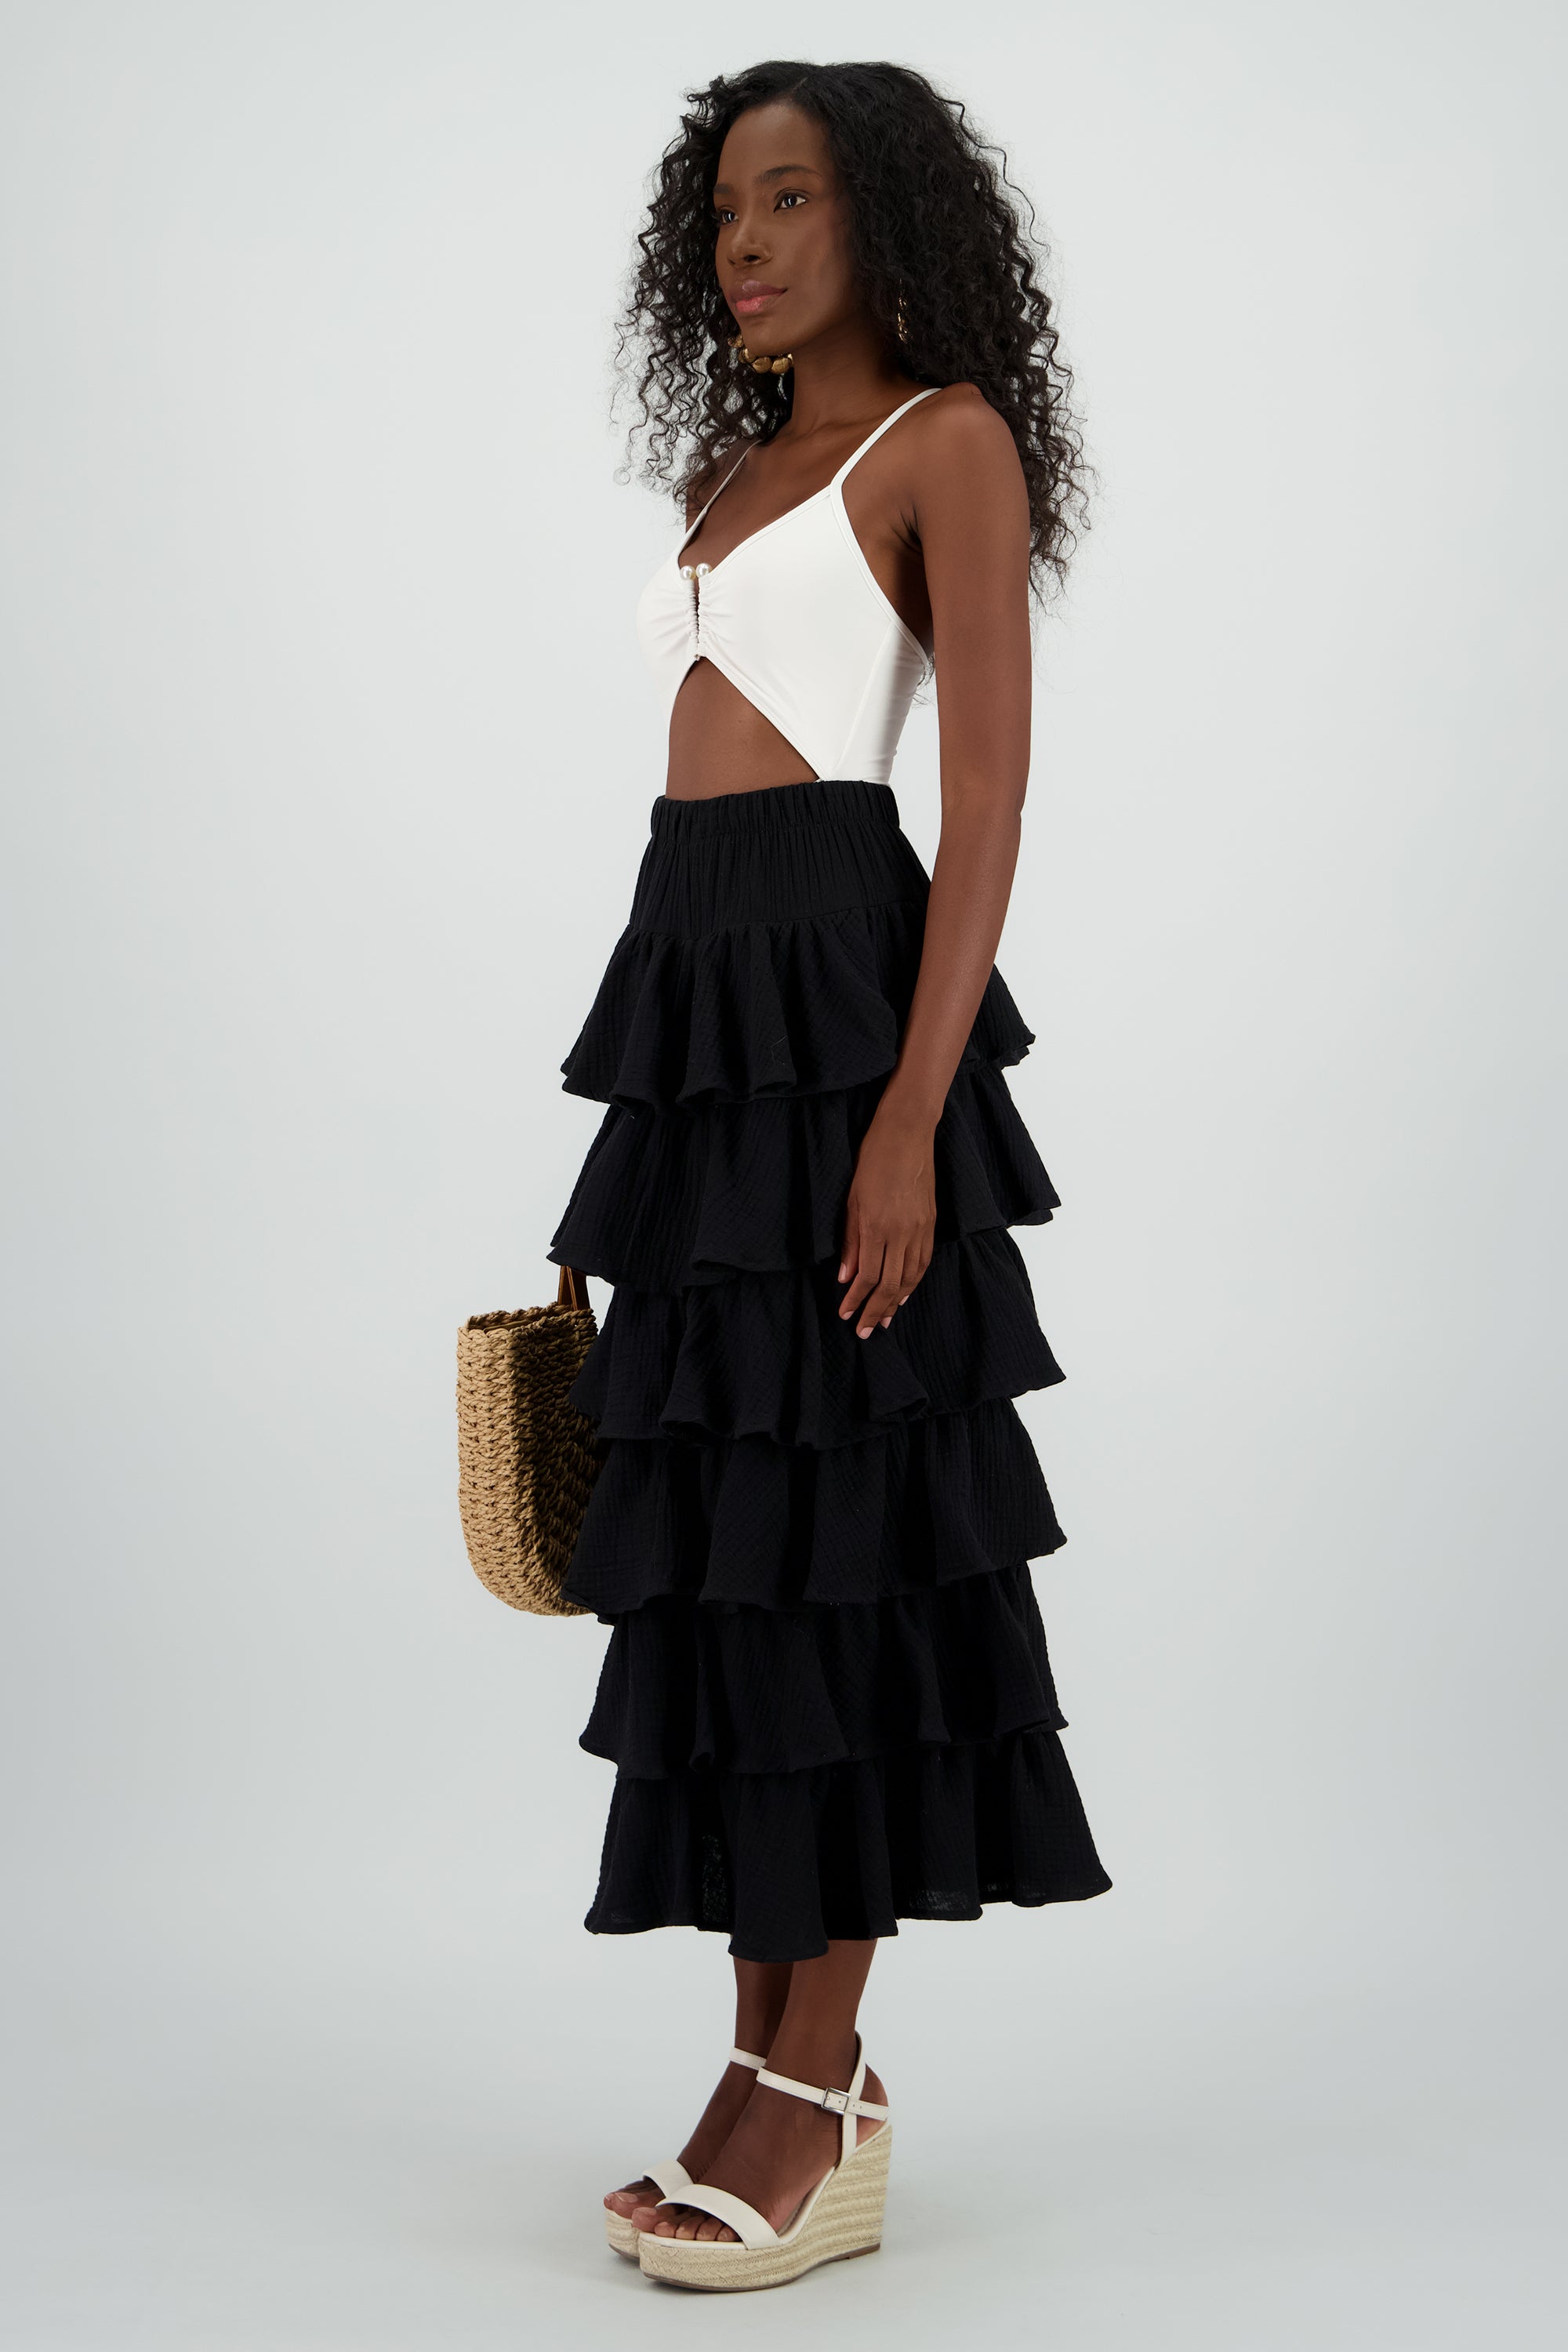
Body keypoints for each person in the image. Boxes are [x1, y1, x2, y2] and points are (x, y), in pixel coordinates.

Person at [546, 57, 1111, 2291]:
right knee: (733, 1553)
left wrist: (905, 1121)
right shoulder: (734, 465)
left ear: (884, 212)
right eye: (722, 211)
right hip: (699, 996)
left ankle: (822, 2071)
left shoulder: (942, 445)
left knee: (850, 1536)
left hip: (846, 1004)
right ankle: (770, 2059)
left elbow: (984, 805)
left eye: (788, 199)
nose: (746, 245)